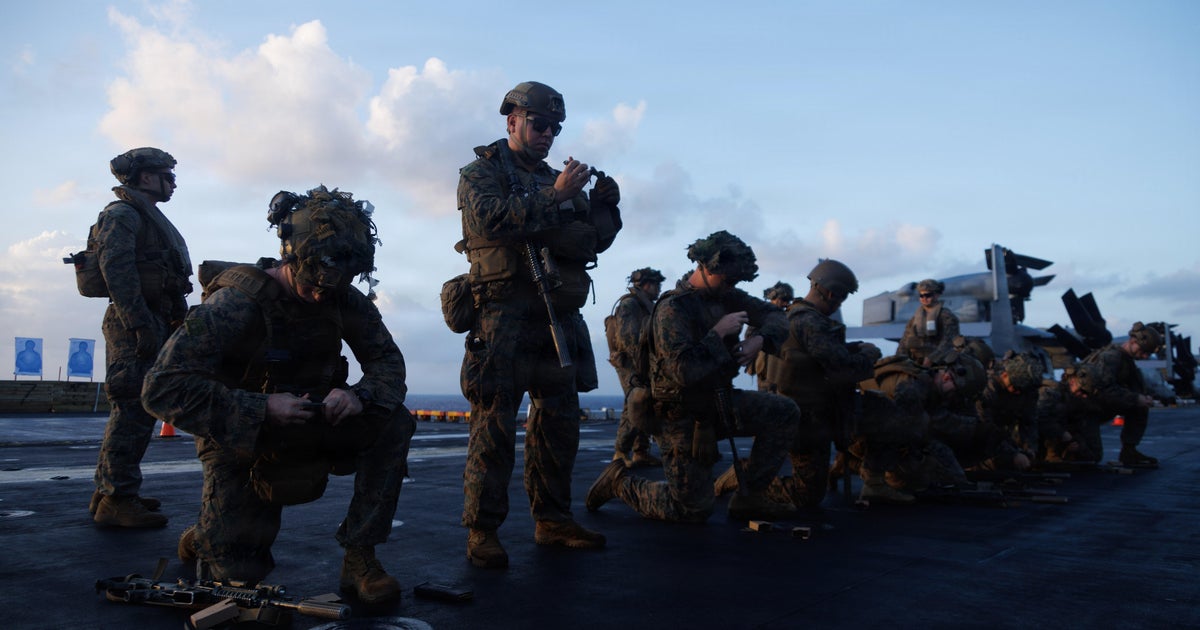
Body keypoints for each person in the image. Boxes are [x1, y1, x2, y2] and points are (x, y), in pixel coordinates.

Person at [142, 186, 412, 604]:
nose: (321, 295)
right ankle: (208, 536)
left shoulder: (342, 297)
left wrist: (359, 395)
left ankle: (360, 555)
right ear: (290, 259)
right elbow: (162, 387)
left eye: (332, 288)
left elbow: (388, 363)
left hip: (312, 420)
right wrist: (261, 407)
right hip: (243, 435)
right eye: (312, 285)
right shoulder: (235, 304)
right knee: (236, 584)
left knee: (394, 421)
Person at [456, 81, 622, 569]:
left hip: (556, 318)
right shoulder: (481, 173)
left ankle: (553, 520)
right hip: (502, 317)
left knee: (559, 426)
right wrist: (556, 199)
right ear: (513, 122)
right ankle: (483, 530)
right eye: (540, 124)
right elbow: (490, 222)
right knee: (494, 428)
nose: (548, 134)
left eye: (555, 128)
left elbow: (590, 241)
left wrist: (605, 208)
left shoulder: (556, 178)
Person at [585, 231, 802, 523]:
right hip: (679, 413)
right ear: (707, 269)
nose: (731, 287)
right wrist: (718, 333)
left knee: (784, 412)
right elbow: (682, 372)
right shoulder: (672, 309)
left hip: (718, 402)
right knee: (692, 509)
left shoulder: (727, 296)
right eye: (727, 280)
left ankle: (750, 496)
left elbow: (776, 317)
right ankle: (619, 483)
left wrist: (759, 340)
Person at [716, 261, 881, 508]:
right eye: (843, 297)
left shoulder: (792, 315)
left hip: (802, 409)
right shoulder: (811, 323)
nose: (841, 303)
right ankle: (744, 480)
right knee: (807, 494)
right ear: (831, 293)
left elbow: (817, 356)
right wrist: (869, 354)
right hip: (807, 415)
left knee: (812, 489)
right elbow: (842, 367)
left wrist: (850, 348)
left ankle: (747, 478)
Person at [89, 147, 192, 528]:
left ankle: (108, 492)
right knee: (132, 408)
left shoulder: (145, 215)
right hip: (135, 321)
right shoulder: (123, 214)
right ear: (145, 177)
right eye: (167, 176)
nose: (173, 183)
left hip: (151, 317)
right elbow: (116, 270)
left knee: (134, 410)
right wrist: (138, 324)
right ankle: (118, 498)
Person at [607, 267, 666, 468]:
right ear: (646, 285)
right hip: (630, 363)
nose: (658, 289)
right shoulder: (630, 304)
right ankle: (621, 452)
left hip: (642, 362)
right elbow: (628, 339)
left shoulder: (645, 305)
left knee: (645, 404)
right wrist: (638, 370)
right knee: (635, 402)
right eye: (656, 285)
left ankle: (641, 451)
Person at [1082, 322, 1163, 466]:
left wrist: (1143, 398)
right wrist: (1136, 398)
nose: (1144, 356)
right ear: (1132, 341)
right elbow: (1105, 390)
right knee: (1091, 458)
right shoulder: (1111, 357)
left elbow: (1136, 388)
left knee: (1139, 406)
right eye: (1143, 351)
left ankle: (1129, 451)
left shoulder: (1127, 362)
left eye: (1148, 354)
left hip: (1099, 406)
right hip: (1085, 410)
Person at [975, 351, 1044, 457]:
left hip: (1004, 437)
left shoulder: (1028, 390)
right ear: (1005, 375)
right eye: (1014, 388)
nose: (1017, 393)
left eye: (1021, 391)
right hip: (983, 440)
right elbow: (984, 426)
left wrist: (1030, 447)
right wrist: (1013, 454)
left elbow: (1029, 421)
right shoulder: (988, 387)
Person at [1036, 364, 1106, 465]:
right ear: (1072, 382)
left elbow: (1094, 453)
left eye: (1087, 394)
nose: (1084, 396)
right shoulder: (1052, 394)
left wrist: (1077, 445)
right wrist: (1061, 433)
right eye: (1082, 392)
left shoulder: (1082, 404)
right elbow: (1038, 418)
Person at [896, 279, 960, 366]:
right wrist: (899, 359)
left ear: (936, 295)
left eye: (928, 295)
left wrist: (932, 359)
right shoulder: (915, 318)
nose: (924, 298)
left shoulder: (946, 316)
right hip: (914, 360)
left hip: (938, 361)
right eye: (921, 295)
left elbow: (949, 341)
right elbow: (904, 340)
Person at [745, 281, 793, 392]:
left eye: (788, 301)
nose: (785, 304)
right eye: (783, 300)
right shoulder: (763, 314)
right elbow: (749, 336)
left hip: (780, 370)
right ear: (774, 298)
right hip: (766, 368)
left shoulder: (786, 316)